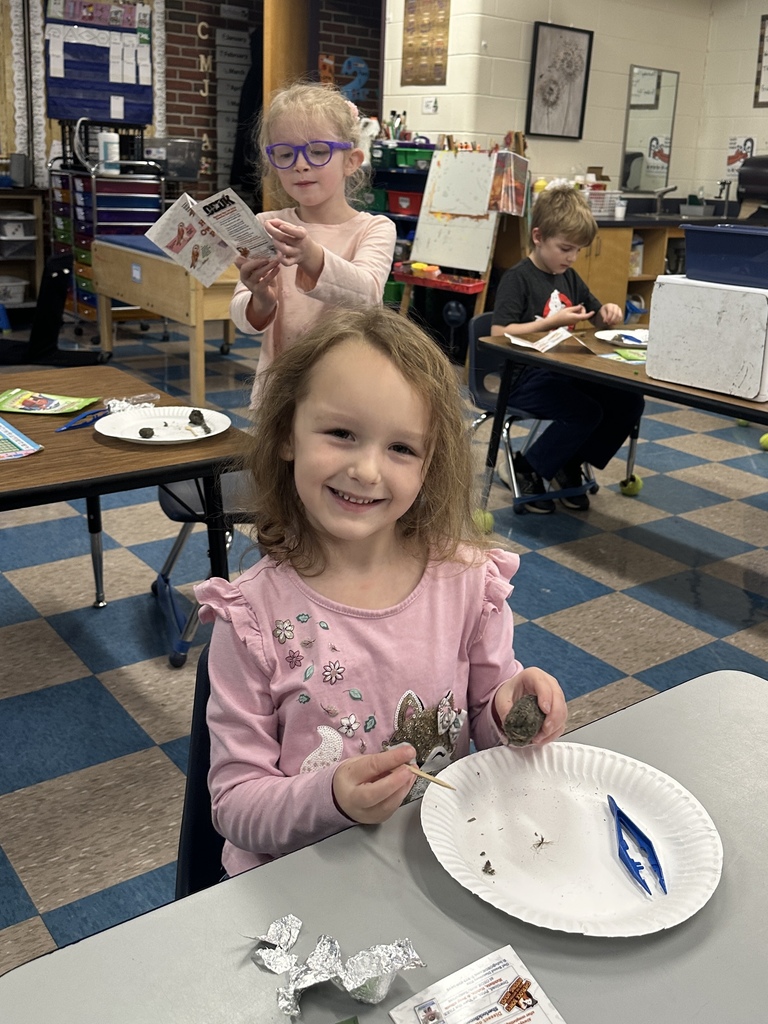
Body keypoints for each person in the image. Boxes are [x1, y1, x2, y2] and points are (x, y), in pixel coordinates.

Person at [195, 307, 567, 877]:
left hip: (435, 861)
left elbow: (486, 723)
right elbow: (235, 806)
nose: (367, 470)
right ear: (288, 434)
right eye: (341, 434)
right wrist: (333, 798)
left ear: (429, 464)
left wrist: (511, 706)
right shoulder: (251, 619)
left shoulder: (470, 582)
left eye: (401, 448)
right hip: (298, 880)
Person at [230, 80, 397, 405]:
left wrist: (311, 256)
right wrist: (260, 298)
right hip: (280, 392)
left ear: (351, 161)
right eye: (285, 154)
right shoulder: (267, 225)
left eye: (318, 151)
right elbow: (243, 321)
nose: (300, 164)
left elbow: (367, 297)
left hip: (346, 390)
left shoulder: (374, 229)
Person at [491, 184, 645, 513]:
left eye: (577, 250)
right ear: (538, 236)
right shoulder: (518, 279)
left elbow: (595, 314)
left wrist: (608, 314)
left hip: (564, 373)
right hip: (522, 379)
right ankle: (526, 467)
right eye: (565, 248)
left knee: (629, 401)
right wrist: (550, 323)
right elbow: (499, 332)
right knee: (585, 412)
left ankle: (566, 462)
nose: (572, 257)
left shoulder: (570, 277)